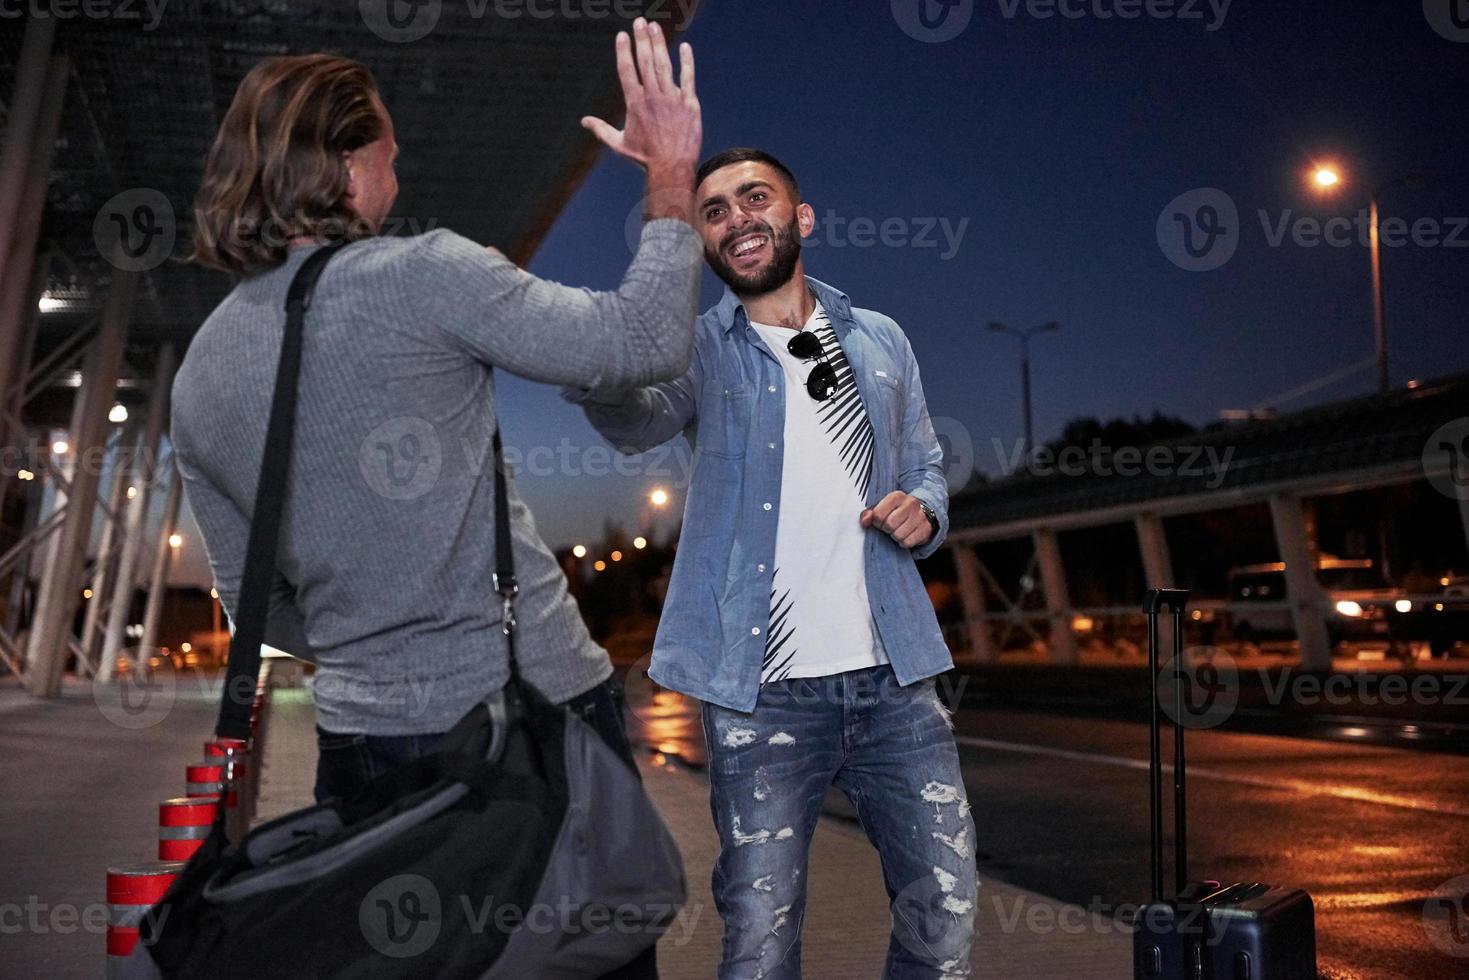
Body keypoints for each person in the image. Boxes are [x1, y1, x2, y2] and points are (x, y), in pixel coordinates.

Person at [172, 13, 698, 921]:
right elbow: (643, 340)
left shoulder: (199, 373)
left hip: (361, 749)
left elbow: (260, 606)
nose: (398, 155)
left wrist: (373, 632)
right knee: (588, 950)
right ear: (340, 164)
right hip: (533, 724)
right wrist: (672, 176)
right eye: (383, 141)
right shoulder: (429, 275)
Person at [566, 148, 979, 979]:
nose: (736, 218)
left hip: (895, 682)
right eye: (713, 210)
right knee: (759, 937)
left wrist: (923, 507)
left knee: (945, 917)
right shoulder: (699, 352)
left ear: (801, 216)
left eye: (754, 197)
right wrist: (592, 352)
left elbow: (924, 465)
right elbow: (632, 420)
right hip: (764, 694)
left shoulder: (879, 339)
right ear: (706, 242)